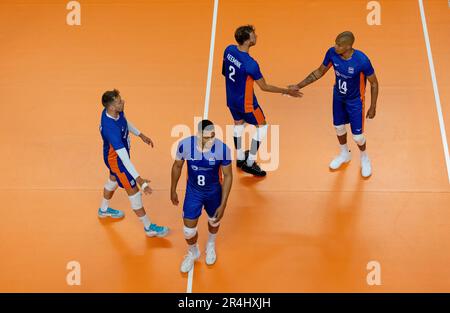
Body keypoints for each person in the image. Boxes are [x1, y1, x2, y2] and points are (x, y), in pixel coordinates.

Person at [289, 31, 379, 177]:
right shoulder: (332, 53)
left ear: (348, 46)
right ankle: (345, 154)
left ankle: (364, 157)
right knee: (338, 127)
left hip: (355, 101)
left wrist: (373, 106)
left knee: (358, 137)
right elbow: (319, 72)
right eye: (335, 43)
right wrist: (299, 85)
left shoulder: (362, 60)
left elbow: (374, 83)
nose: (335, 46)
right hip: (338, 97)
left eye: (339, 45)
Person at [222, 25, 302, 177]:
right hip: (247, 103)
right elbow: (264, 87)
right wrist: (287, 91)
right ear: (246, 41)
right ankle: (250, 163)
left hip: (231, 98)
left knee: (238, 124)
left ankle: (239, 158)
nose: (256, 36)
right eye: (253, 35)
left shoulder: (229, 50)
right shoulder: (250, 64)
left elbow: (225, 72)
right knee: (262, 127)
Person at [98, 89, 169, 237]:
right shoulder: (110, 129)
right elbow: (124, 160)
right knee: (135, 193)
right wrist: (140, 180)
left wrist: (140, 134)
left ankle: (103, 209)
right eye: (119, 101)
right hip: (117, 161)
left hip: (113, 158)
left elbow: (124, 122)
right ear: (111, 107)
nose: (123, 102)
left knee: (113, 180)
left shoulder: (115, 112)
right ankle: (148, 228)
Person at [171, 120, 232, 273]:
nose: (211, 140)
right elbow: (177, 166)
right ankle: (193, 252)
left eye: (213, 136)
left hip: (213, 192)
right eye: (206, 137)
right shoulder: (185, 145)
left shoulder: (223, 149)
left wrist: (223, 204)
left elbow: (228, 176)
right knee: (188, 231)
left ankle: (210, 245)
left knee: (214, 221)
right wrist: (172, 189)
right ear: (198, 135)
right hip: (193, 192)